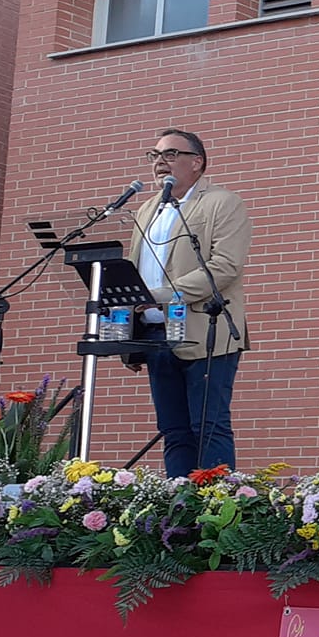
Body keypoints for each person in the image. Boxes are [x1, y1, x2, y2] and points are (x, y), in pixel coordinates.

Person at [123, 127, 250, 477]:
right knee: (174, 430)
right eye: (155, 156)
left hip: (204, 329)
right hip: (154, 335)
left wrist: (162, 296)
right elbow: (137, 272)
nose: (160, 162)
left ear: (197, 162)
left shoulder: (222, 202)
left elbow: (224, 267)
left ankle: (215, 509)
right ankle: (178, 515)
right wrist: (128, 342)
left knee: (209, 426)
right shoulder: (147, 209)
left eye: (170, 154)